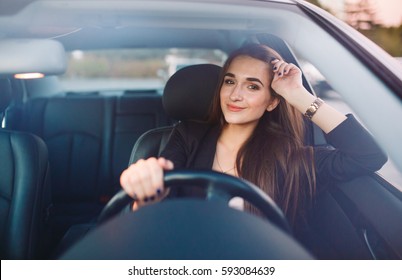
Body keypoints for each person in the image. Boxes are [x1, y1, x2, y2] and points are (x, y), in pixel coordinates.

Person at [120, 43, 387, 239]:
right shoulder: (188, 135)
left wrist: (299, 96)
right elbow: (155, 210)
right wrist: (145, 193)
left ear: (272, 101)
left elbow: (368, 156)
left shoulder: (289, 157)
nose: (235, 95)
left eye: (252, 86)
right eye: (229, 81)